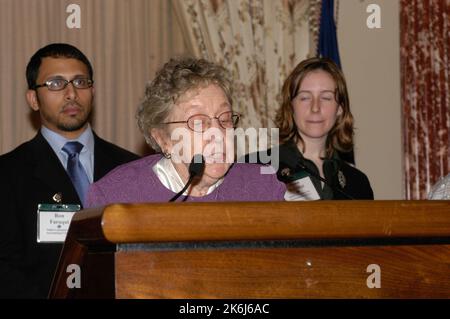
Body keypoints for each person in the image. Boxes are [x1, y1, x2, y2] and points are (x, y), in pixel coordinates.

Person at [0, 43, 139, 298]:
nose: (71, 94)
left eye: (80, 82)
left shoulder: (131, 167)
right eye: (55, 84)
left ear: (93, 91)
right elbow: (6, 270)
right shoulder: (8, 174)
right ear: (33, 98)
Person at [86, 57, 285, 207]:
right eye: (198, 123)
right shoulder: (116, 196)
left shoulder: (262, 188)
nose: (217, 134)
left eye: (224, 119)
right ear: (163, 139)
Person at [273, 57, 373, 200]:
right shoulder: (257, 168)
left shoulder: (357, 182)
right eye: (305, 98)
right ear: (290, 107)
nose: (315, 108)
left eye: (326, 98)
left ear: (340, 108)